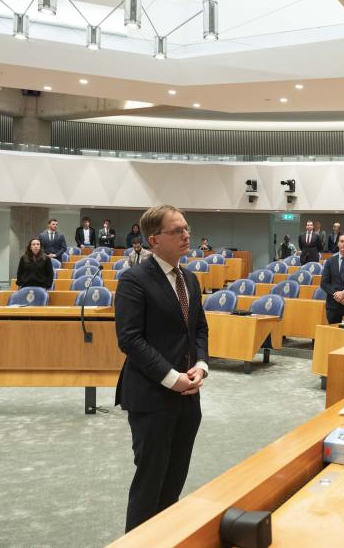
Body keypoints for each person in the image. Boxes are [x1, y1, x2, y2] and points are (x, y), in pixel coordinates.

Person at [114, 205, 208, 532]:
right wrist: (173, 379)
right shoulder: (134, 280)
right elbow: (130, 340)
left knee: (174, 480)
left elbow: (198, 330)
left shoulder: (191, 279)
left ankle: (164, 538)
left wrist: (200, 367)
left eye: (187, 229)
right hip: (151, 396)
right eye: (177, 230)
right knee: (150, 481)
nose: (186, 235)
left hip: (188, 397)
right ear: (154, 239)